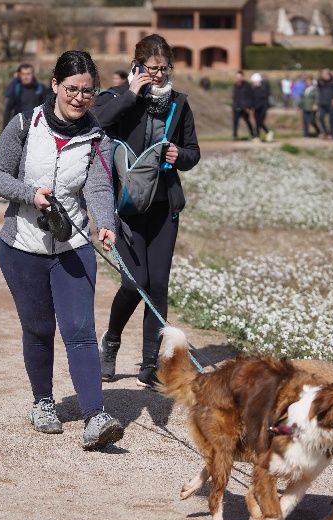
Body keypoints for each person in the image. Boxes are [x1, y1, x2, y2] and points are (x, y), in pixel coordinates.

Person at [0, 50, 124, 451]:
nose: (80, 98)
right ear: (54, 85)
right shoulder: (24, 125)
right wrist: (31, 195)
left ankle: (96, 416)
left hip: (74, 245)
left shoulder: (97, 138)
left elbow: (99, 188)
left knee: (80, 331)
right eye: (72, 89)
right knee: (39, 328)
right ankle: (43, 402)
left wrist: (106, 226)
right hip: (22, 246)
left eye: (88, 91)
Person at [93, 33, 201, 389]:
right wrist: (130, 92)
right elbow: (99, 121)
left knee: (158, 286)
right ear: (138, 66)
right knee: (134, 282)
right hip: (125, 207)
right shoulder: (118, 98)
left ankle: (149, 365)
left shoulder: (180, 103)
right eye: (151, 68)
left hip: (163, 206)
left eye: (162, 68)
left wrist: (179, 156)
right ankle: (110, 341)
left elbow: (193, 152)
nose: (157, 74)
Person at [2, 63, 48, 128]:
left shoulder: (40, 89)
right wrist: (5, 128)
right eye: (23, 74)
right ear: (19, 75)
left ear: (33, 75)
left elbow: (47, 109)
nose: (26, 77)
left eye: (28, 74)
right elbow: (8, 110)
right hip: (19, 126)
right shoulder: (16, 89)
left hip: (36, 126)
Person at [231, 70, 254, 140]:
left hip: (245, 107)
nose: (238, 78)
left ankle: (253, 134)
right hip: (236, 107)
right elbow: (234, 97)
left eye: (240, 77)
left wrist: (249, 107)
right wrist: (234, 106)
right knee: (235, 122)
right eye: (237, 77)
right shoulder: (235, 85)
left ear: (242, 77)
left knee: (248, 121)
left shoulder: (247, 85)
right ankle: (235, 136)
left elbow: (250, 96)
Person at [250, 72, 273, 142]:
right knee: (257, 122)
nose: (253, 83)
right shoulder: (253, 89)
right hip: (256, 108)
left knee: (260, 122)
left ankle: (268, 132)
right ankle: (257, 136)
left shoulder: (263, 87)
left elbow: (264, 97)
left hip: (263, 108)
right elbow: (252, 98)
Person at [316, 68, 333, 139]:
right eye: (323, 74)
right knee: (320, 117)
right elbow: (318, 82)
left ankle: (332, 134)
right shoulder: (320, 82)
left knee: (331, 119)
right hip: (322, 103)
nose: (324, 75)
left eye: (326, 73)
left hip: (330, 103)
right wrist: (321, 74)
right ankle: (325, 132)